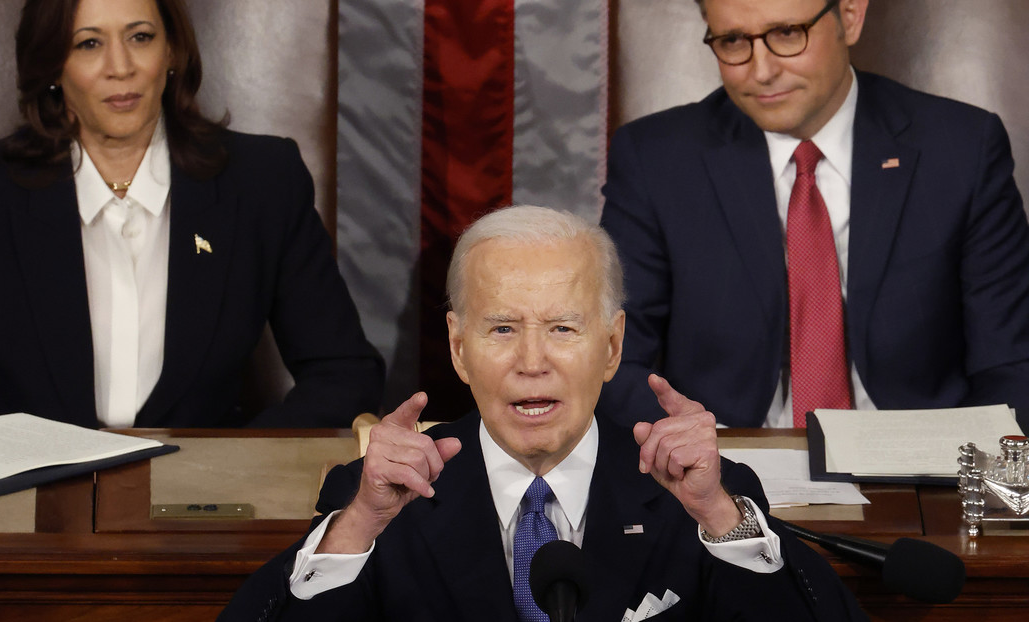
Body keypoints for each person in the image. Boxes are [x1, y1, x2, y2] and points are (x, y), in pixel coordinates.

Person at [218, 205, 866, 621]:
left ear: (611, 347)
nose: (533, 361)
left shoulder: (696, 492)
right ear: (457, 347)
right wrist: (358, 526)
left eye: (562, 328)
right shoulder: (374, 500)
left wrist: (720, 517)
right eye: (502, 329)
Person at [0, 0, 383, 429]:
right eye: (89, 43)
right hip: (15, 498)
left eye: (140, 37)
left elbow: (344, 374)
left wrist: (232, 464)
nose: (120, 67)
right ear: (53, 65)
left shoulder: (263, 181)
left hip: (195, 503)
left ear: (172, 51)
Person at [598, 0, 1029, 429]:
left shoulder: (962, 149)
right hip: (723, 462)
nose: (762, 70)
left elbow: (1010, 362)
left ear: (850, 17)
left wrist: (972, 480)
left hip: (919, 466)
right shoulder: (656, 160)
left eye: (787, 34)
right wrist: (685, 449)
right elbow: (613, 358)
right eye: (733, 41)